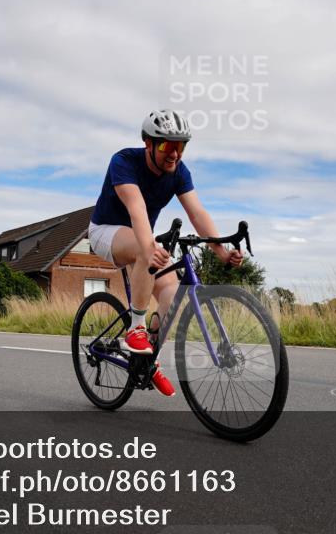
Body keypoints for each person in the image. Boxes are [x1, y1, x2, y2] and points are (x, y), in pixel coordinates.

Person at [88, 110, 243, 396]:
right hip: (106, 230)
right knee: (145, 251)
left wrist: (221, 251)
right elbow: (137, 211)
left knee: (173, 294)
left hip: (142, 236)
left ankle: (149, 361)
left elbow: (197, 213)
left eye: (181, 146)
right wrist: (149, 249)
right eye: (167, 146)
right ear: (148, 143)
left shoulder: (179, 172)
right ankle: (135, 328)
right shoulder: (123, 161)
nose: (175, 154)